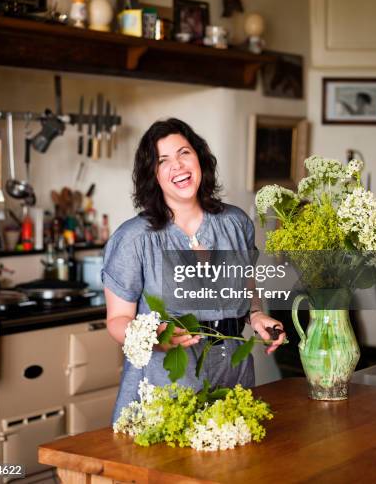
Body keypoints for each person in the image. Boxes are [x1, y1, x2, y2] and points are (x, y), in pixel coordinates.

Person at [102, 118, 285, 422]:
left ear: (199, 159)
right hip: (163, 388)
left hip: (232, 378)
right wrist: (152, 337)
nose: (178, 166)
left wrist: (256, 316)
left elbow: (245, 285)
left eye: (184, 153)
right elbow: (117, 320)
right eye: (163, 160)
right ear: (153, 175)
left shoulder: (235, 223)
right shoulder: (133, 238)